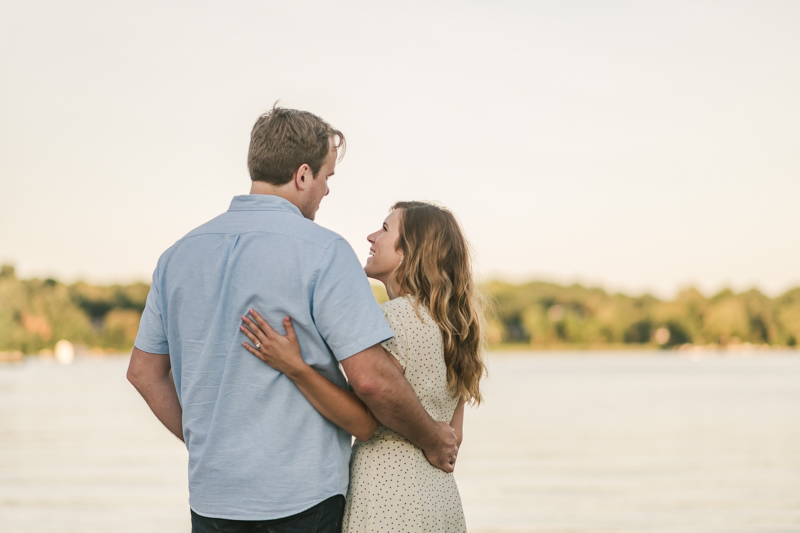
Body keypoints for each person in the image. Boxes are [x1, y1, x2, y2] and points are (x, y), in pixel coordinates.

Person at [127, 106, 458, 532]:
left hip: (213, 500)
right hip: (302, 501)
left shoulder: (176, 257)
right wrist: (433, 438)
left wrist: (209, 446)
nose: (325, 191)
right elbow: (372, 380)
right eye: (326, 178)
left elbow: (143, 373)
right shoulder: (324, 251)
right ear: (303, 176)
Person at [240, 200, 486, 532]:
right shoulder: (456, 330)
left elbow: (362, 415)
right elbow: (453, 439)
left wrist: (294, 366)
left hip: (388, 497)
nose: (372, 237)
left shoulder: (392, 319)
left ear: (409, 251)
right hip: (440, 501)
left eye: (385, 229)